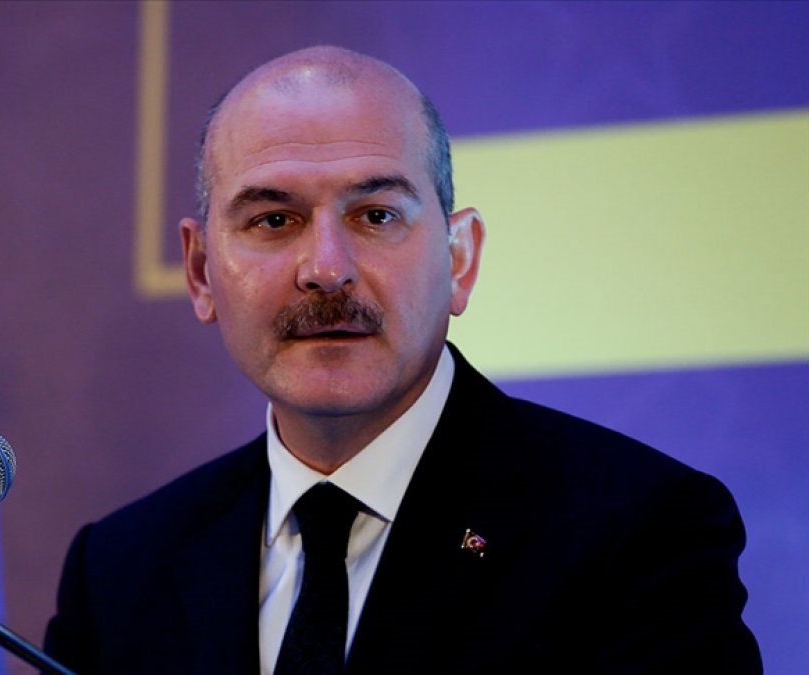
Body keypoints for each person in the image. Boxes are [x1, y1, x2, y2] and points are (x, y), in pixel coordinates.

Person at [44, 46, 761, 674]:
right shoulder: (118, 573)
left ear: (460, 259)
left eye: (376, 215)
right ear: (201, 271)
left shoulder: (636, 531)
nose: (327, 269)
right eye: (274, 220)